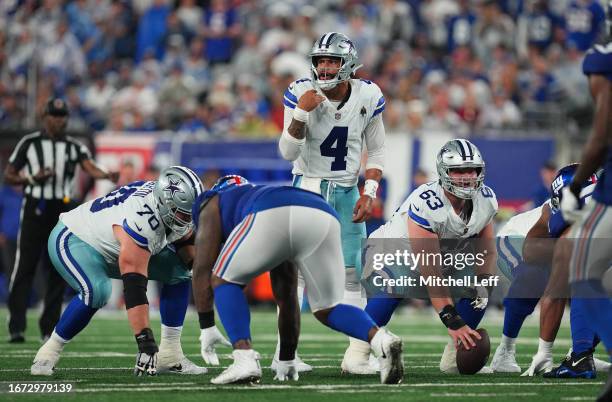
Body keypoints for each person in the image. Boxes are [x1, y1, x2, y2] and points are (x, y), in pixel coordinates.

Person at [191, 175, 404, 385]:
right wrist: (286, 359)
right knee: (327, 308)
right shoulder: (258, 196)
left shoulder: (213, 201)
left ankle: (244, 358)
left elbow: (201, 270)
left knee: (223, 280)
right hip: (323, 214)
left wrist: (207, 326)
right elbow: (287, 299)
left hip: (274, 213)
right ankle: (381, 340)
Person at [278, 31, 386, 374]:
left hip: (346, 191)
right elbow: (286, 152)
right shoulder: (300, 92)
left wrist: (369, 192)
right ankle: (286, 353)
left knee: (354, 274)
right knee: (294, 276)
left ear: (348, 65)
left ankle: (357, 356)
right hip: (306, 188)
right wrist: (300, 115)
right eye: (320, 61)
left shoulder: (367, 94)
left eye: (332, 61)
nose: (324, 69)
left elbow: (378, 149)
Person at [30, 166, 206, 376]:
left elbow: (187, 246)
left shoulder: (168, 206)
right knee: (98, 291)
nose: (187, 219)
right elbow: (134, 286)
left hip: (116, 244)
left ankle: (171, 355)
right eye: (182, 214)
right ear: (165, 203)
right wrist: (145, 342)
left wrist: (204, 269)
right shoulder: (141, 219)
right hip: (76, 238)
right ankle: (49, 351)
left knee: (179, 273)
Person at [345, 139, 497, 374]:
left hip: (436, 259)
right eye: (458, 171)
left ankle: (455, 358)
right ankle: (356, 356)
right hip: (386, 252)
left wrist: (484, 283)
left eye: (472, 169)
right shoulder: (427, 203)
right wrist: (451, 320)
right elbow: (429, 268)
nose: (467, 177)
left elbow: (487, 250)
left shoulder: (485, 200)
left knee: (481, 287)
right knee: (397, 281)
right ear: (444, 173)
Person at [4, 98, 119, 343]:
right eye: (55, 115)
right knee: (24, 267)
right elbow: (9, 174)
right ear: (45, 117)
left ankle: (48, 328)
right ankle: (16, 326)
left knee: (57, 268)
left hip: (62, 209)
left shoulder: (73, 146)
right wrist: (33, 179)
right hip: (36, 208)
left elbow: (89, 166)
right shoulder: (30, 143)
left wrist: (107, 174)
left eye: (63, 115)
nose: (60, 120)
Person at [491, 164, 609, 378]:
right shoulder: (555, 213)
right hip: (516, 239)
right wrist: (544, 351)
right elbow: (531, 252)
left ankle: (581, 353)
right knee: (535, 276)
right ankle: (506, 349)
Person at [559, 5, 612, 399]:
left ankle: (581, 357)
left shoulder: (602, 58)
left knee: (581, 267)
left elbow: (602, 133)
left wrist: (576, 185)